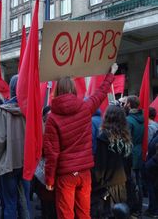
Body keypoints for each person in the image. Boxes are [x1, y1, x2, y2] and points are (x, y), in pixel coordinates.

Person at [43, 63, 118, 219]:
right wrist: (111, 73)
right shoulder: (85, 108)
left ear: (57, 90)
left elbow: (52, 153)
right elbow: (101, 92)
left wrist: (49, 179)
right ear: (73, 89)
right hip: (84, 172)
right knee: (84, 214)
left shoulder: (52, 118)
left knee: (66, 215)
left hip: (65, 175)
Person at [0, 75, 31, 219]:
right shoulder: (32, 109)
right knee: (25, 201)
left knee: (10, 203)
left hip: (9, 163)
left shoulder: (4, 110)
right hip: (26, 162)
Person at [91, 105, 132, 218]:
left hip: (106, 186)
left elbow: (100, 166)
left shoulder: (104, 137)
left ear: (107, 118)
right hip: (121, 183)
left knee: (106, 214)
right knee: (119, 214)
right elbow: (129, 163)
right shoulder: (126, 137)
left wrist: (95, 182)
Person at [125, 95, 144, 216]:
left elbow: (126, 139)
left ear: (130, 105)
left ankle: (133, 208)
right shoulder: (142, 117)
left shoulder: (128, 120)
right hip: (139, 151)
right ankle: (139, 207)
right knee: (138, 181)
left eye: (126, 103)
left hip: (131, 154)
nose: (125, 105)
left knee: (132, 183)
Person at [145, 129, 158, 217]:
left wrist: (150, 163)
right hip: (153, 165)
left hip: (153, 166)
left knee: (153, 187)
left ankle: (153, 210)